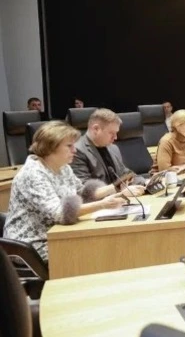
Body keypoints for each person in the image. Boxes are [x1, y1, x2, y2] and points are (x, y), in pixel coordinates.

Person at [4, 121, 130, 262]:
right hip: (35, 245)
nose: (74, 150)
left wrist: (116, 189)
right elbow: (60, 213)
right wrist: (102, 204)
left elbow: (83, 193)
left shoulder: (63, 167)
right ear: (50, 146)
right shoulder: (33, 174)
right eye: (69, 146)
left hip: (60, 235)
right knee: (101, 251)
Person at [71, 109, 147, 189]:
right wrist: (119, 191)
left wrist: (145, 182)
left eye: (116, 133)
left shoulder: (113, 148)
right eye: (111, 133)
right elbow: (84, 188)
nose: (115, 137)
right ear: (96, 129)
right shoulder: (76, 151)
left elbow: (124, 174)